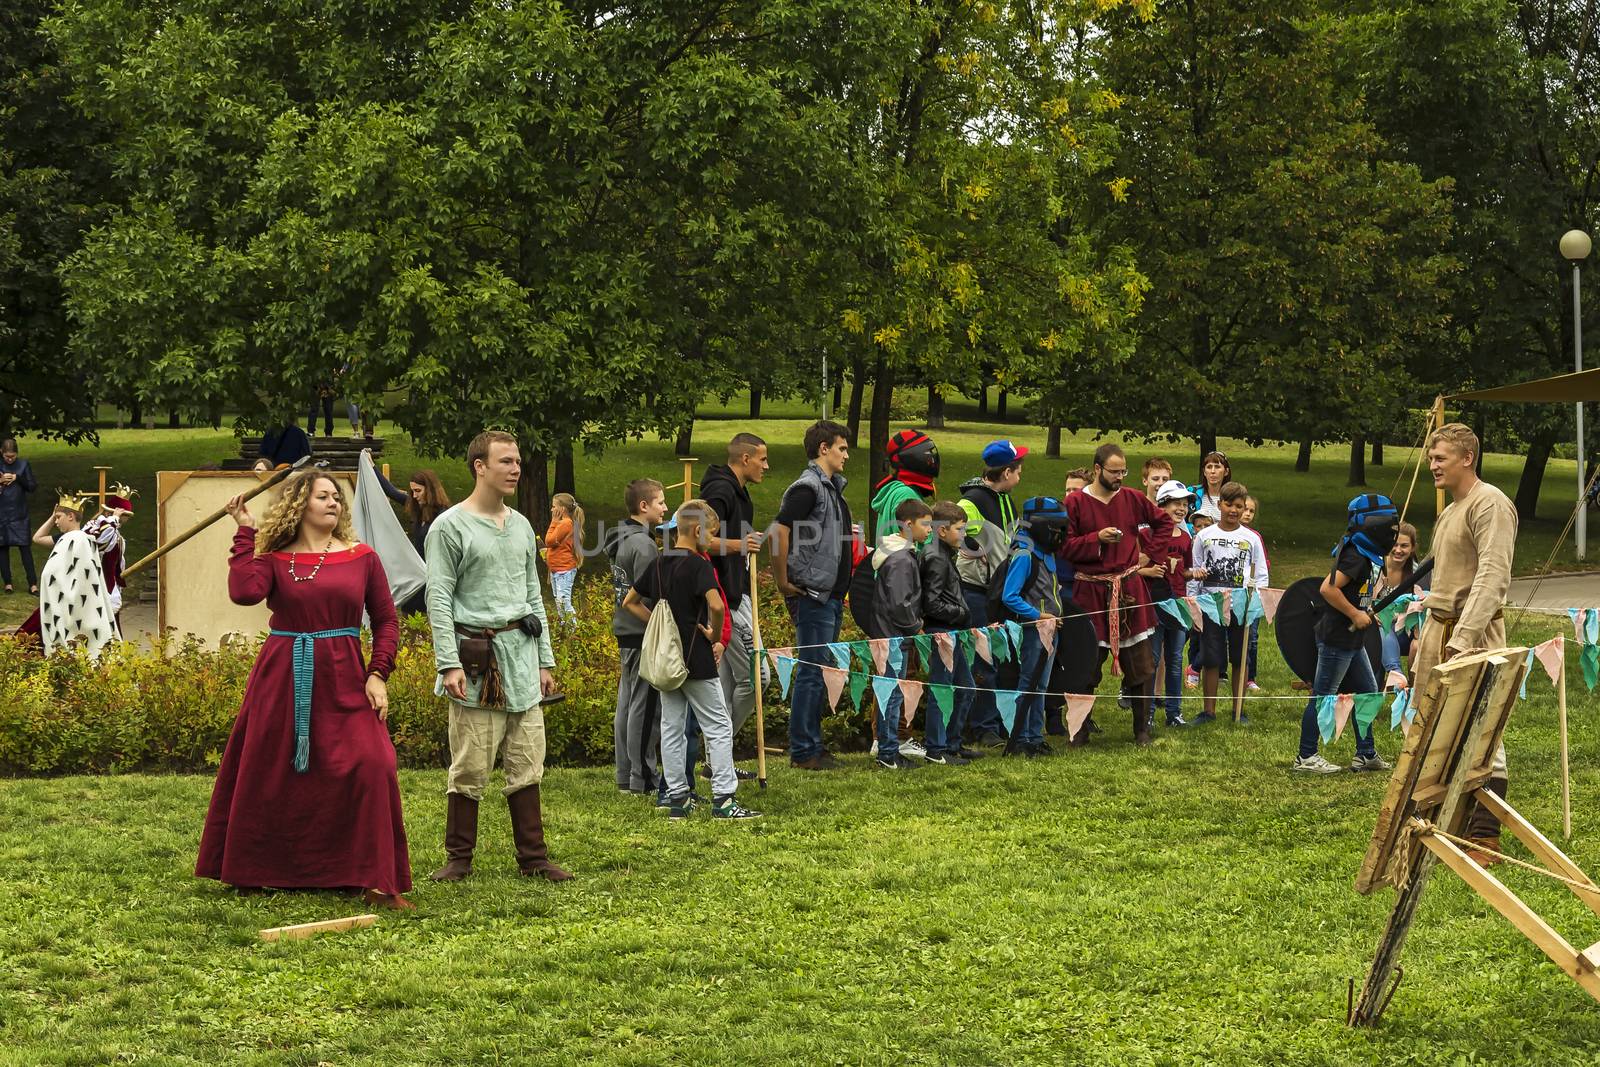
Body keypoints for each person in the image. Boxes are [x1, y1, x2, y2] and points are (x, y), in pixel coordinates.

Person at [195, 471, 411, 909]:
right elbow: (244, 593)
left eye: (336, 497)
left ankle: (376, 880)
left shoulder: (362, 556)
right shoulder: (274, 559)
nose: (333, 503)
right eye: (323, 496)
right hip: (283, 672)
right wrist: (245, 532)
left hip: (347, 674)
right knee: (269, 769)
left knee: (374, 763)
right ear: (300, 505)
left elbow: (387, 620)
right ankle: (256, 869)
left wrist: (378, 673)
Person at [426, 430, 570, 883]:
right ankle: (459, 859)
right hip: (475, 661)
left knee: (528, 759)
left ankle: (533, 858)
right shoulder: (449, 527)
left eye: (518, 461)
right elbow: (438, 596)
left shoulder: (524, 526)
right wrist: (447, 662)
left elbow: (533, 596)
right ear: (479, 466)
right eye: (506, 461)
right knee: (470, 763)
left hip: (522, 657)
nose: (515, 469)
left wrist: (545, 660)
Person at [1410, 423, 1517, 866]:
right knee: (1431, 728)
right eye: (1432, 458)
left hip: (1472, 635)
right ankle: (1445, 825)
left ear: (1467, 458)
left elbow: (1493, 575)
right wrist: (1429, 634)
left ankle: (1485, 836)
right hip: (1441, 630)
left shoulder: (1491, 504)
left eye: (1441, 458)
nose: (1433, 465)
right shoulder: (1450, 510)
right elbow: (1445, 579)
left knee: (1482, 732)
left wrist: (1464, 638)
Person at [623, 501, 762, 820]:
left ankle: (678, 799)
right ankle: (725, 799)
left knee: (671, 727)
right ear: (698, 531)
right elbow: (716, 604)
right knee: (719, 724)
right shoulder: (698, 565)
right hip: (696, 656)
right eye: (711, 534)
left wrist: (658, 625)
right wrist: (714, 636)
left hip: (667, 658)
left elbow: (630, 601)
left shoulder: (660, 562)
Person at [1058, 445, 1173, 747]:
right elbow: (1065, 546)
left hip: (1129, 590)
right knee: (1085, 663)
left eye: (1123, 471)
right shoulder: (1076, 503)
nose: (1120, 477)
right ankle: (1078, 731)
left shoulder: (1133, 498)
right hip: (1091, 590)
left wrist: (1150, 555)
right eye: (1114, 471)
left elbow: (1163, 523)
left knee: (1143, 664)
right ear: (1097, 469)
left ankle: (1142, 731)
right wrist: (1096, 539)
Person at [1292, 494, 1398, 775]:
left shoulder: (1366, 554)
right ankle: (1306, 756)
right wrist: (1354, 614)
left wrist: (1367, 610)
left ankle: (1365, 755)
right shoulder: (1354, 554)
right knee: (1323, 696)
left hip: (1352, 640)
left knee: (1367, 694)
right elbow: (1328, 589)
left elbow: (1356, 594)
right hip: (1336, 638)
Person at [773, 420, 856, 771]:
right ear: (823, 448)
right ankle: (804, 750)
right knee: (810, 670)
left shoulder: (832, 489)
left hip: (831, 595)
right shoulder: (807, 488)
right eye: (842, 448)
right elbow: (778, 532)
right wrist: (783, 581)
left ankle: (813, 745)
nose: (846, 455)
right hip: (812, 594)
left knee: (821, 670)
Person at [701, 433, 768, 758]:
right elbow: (698, 538)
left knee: (729, 684)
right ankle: (718, 753)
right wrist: (739, 545)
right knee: (757, 678)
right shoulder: (720, 490)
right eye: (763, 459)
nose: (766, 466)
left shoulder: (739, 493)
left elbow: (729, 537)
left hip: (739, 592)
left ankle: (718, 762)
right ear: (745, 459)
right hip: (724, 597)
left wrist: (743, 540)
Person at [956, 440, 1027, 748]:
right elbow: (954, 538)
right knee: (982, 661)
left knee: (1000, 660)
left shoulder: (1006, 501)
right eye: (1019, 470)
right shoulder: (971, 501)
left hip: (999, 593)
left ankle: (996, 721)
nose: (1020, 476)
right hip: (975, 591)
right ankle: (982, 726)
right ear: (1006, 472)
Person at [606, 478, 668, 794]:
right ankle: (642, 777)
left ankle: (624, 774)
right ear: (643, 506)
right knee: (644, 709)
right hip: (641, 632)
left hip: (625, 631)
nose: (666, 508)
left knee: (628, 705)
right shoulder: (643, 545)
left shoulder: (623, 538)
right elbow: (647, 596)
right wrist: (661, 627)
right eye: (660, 502)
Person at [1190, 482, 1268, 724]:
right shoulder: (1204, 535)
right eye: (1228, 504)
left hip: (1241, 605)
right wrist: (1194, 603)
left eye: (1239, 506)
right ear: (1219, 504)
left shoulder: (1251, 538)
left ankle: (1238, 710)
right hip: (1211, 604)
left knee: (1240, 657)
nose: (1233, 510)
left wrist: (1256, 602)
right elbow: (1195, 570)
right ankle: (1208, 711)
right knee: (1212, 657)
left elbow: (1262, 573)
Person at [1000, 497, 1069, 757]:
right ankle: (1021, 737)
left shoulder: (1046, 552)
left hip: (1052, 630)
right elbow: (1010, 596)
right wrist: (1037, 616)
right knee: (1029, 684)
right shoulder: (1024, 554)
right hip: (1034, 632)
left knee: (1041, 685)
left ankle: (1035, 736)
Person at [869, 498, 931, 770]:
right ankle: (888, 752)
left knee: (892, 692)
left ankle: (889, 749)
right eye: (926, 524)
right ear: (908, 525)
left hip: (890, 634)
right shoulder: (902, 559)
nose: (930, 529)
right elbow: (900, 602)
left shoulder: (901, 553)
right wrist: (915, 625)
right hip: (893, 636)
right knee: (892, 694)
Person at [25, 493, 120, 657]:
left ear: (70, 516)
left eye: (59, 517)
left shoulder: (80, 540)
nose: (56, 521)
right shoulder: (65, 538)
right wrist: (52, 514)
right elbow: (38, 538)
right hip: (59, 601)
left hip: (73, 603)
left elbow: (82, 575)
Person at [922, 501, 979, 764]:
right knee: (942, 690)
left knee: (965, 688)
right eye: (960, 529)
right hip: (942, 631)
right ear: (942, 530)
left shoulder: (944, 553)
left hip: (952, 630)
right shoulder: (935, 557)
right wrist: (960, 613)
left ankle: (952, 743)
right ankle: (936, 748)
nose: (964, 534)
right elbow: (931, 603)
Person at [1151, 481, 1200, 727]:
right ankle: (1147, 712)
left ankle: (1174, 713)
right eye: (1176, 504)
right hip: (1154, 603)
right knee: (1152, 659)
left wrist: (1196, 573)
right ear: (1162, 505)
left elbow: (1186, 569)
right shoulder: (1148, 534)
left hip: (1178, 604)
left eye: (1184, 504)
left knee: (1175, 658)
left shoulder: (1185, 538)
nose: (1181, 509)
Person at [1375, 521, 1428, 677]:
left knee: (1417, 644)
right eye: (1394, 544)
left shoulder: (1417, 571)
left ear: (1412, 548)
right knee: (1382, 627)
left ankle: (1410, 688)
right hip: (1375, 627)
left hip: (1405, 629)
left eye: (1404, 546)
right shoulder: (1375, 567)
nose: (1398, 550)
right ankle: (1395, 671)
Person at [870, 429, 939, 546]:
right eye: (927, 455)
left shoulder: (897, 488)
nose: (931, 460)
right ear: (912, 458)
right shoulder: (906, 493)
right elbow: (911, 542)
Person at [81, 485, 136, 626]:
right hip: (96, 583)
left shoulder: (115, 532)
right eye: (126, 516)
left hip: (109, 584)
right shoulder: (95, 525)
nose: (127, 519)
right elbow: (101, 542)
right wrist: (114, 519)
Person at [0, 438, 39, 595]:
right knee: (2, 548)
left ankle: (33, 584)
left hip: (19, 513)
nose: (10, 459)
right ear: (1, 452)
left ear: (17, 454)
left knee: (25, 548)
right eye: (7, 456)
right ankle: (7, 582)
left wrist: (18, 478)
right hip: (2, 513)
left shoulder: (23, 465)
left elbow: (32, 486)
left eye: (13, 456)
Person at [1240, 494, 1268, 691]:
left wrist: (1259, 592)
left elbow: (1262, 566)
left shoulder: (1255, 537)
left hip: (1252, 593)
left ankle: (1250, 677)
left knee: (1252, 637)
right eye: (1245, 509)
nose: (1248, 513)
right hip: (1230, 593)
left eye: (1252, 511)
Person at [544, 493, 582, 621]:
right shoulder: (564, 523)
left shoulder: (565, 523)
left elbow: (549, 540)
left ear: (562, 509)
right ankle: (565, 628)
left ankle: (573, 630)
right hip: (557, 570)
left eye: (554, 506)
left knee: (563, 603)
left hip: (563, 571)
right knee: (559, 602)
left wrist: (553, 522)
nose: (552, 509)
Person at [1190, 451, 1232, 518]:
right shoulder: (1192, 493)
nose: (1212, 471)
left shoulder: (1233, 496)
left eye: (1217, 467)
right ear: (1204, 472)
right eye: (1209, 467)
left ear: (1226, 472)